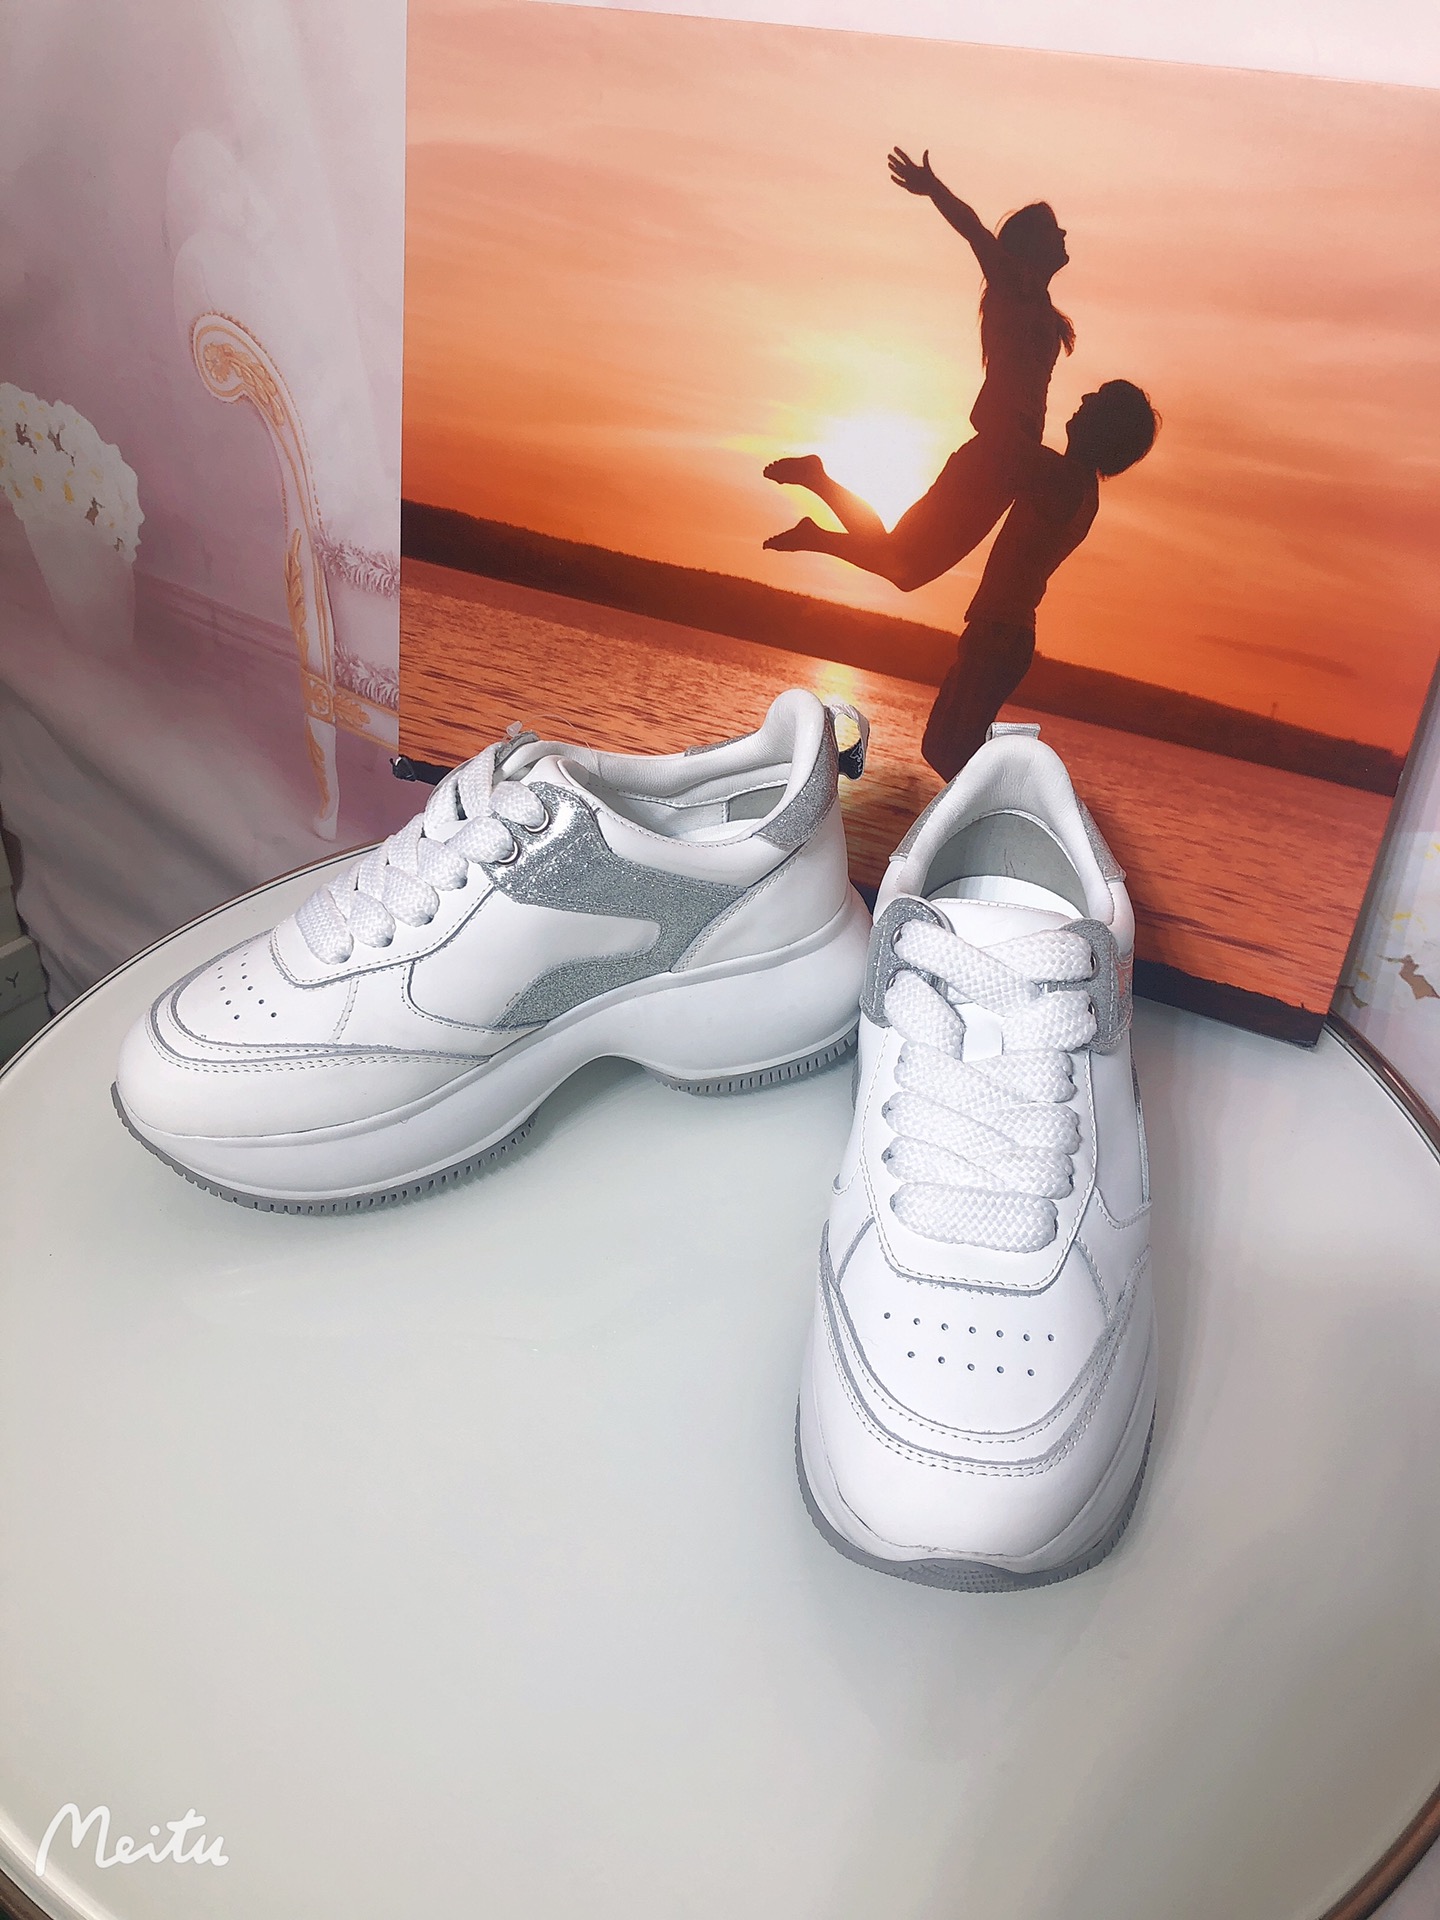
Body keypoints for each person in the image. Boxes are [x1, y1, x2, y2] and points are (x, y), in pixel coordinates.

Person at [763, 147, 1075, 590]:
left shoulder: (1039, 303)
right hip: (996, 453)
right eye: (1051, 229)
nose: (1063, 233)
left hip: (1011, 461)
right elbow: (973, 229)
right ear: (1030, 245)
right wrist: (934, 189)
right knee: (902, 564)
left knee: (905, 569)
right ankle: (817, 492)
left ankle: (816, 508)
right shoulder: (1012, 283)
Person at [921, 380, 1160, 780]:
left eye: (1098, 401)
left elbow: (1006, 446)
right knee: (943, 749)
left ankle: (1013, 807)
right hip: (998, 632)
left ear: (1106, 428)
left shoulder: (1065, 481)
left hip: (1000, 635)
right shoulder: (1071, 482)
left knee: (949, 752)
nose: (1084, 398)